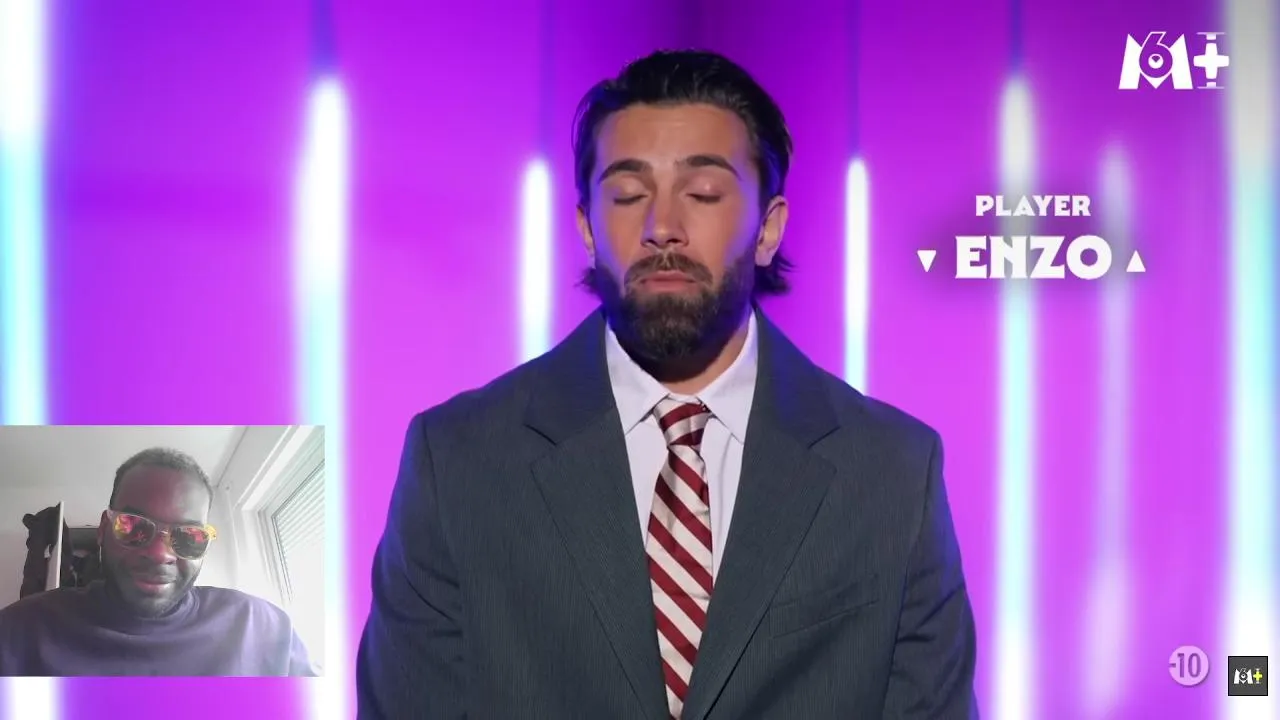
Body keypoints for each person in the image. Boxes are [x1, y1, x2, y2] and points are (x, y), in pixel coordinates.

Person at [357, 49, 978, 719]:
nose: (661, 228)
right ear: (587, 229)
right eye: (628, 195)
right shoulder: (459, 461)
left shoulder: (890, 470)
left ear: (768, 229)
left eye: (703, 193)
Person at [0, 447, 317, 677]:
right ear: (103, 530)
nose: (159, 554)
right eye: (133, 526)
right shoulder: (21, 631)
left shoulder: (262, 628)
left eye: (188, 536)